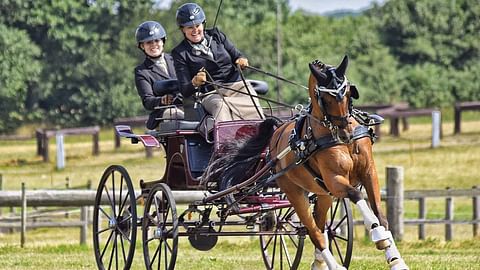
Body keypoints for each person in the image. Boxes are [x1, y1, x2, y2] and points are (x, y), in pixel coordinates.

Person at [171, 3, 264, 123]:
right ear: (182, 29)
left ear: (203, 24)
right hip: (210, 93)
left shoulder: (217, 35)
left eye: (197, 25)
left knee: (251, 98)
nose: (195, 30)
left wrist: (242, 60)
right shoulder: (179, 53)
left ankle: (260, 135)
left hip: (235, 85)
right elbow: (185, 89)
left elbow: (236, 55)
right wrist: (195, 82)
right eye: (189, 27)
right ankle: (225, 141)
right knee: (220, 106)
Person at [134, 20, 184, 130]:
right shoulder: (142, 71)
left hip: (188, 104)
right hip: (165, 112)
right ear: (142, 46)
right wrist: (162, 100)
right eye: (148, 42)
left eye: (156, 40)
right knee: (175, 116)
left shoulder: (177, 58)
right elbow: (148, 101)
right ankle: (180, 147)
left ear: (162, 41)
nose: (153, 45)